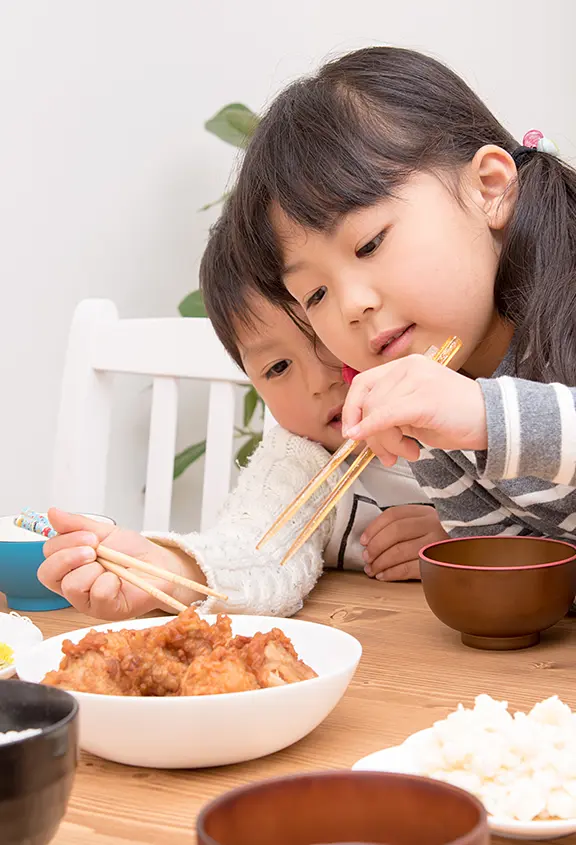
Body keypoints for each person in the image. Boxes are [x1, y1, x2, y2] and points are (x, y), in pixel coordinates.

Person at [228, 46, 576, 543]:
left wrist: (482, 414)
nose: (351, 305)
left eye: (370, 243)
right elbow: (512, 563)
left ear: (490, 188)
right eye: (316, 293)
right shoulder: (433, 382)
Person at [39, 213, 444, 621]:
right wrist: (172, 573)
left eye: (324, 340)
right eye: (278, 368)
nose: (319, 382)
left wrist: (468, 537)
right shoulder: (299, 459)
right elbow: (256, 554)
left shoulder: (454, 404)